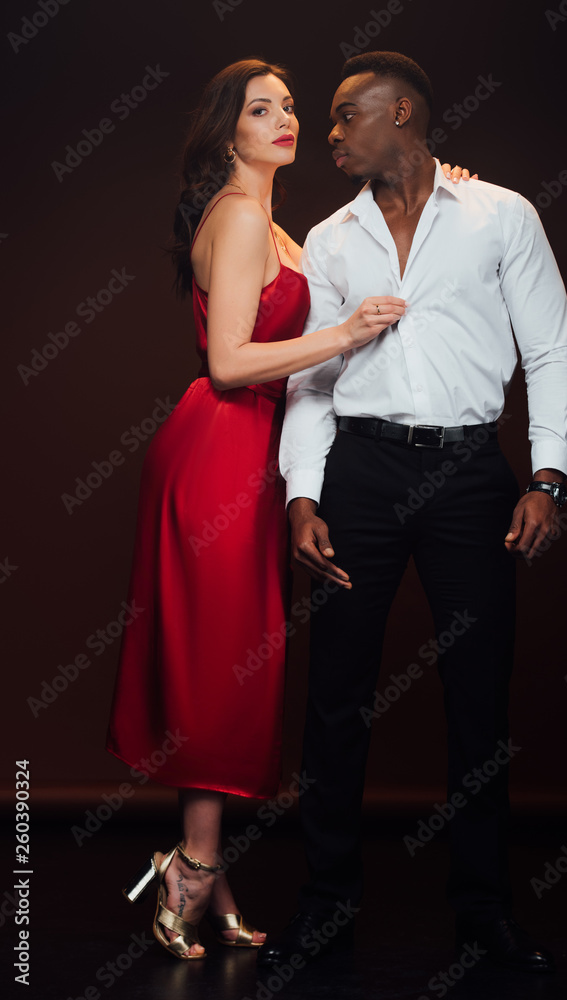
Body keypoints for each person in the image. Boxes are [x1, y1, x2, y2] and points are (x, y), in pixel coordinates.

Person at [106, 57, 466, 961]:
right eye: (260, 109)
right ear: (226, 130)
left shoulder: (276, 227)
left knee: (226, 661)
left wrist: (446, 187)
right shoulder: (237, 217)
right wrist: (345, 332)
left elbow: (353, 255)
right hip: (220, 450)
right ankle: (192, 865)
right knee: (216, 662)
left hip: (251, 454)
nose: (285, 119)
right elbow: (229, 362)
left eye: (290, 106)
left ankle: (203, 866)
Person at [258, 52, 567, 975]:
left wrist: (546, 478)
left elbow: (550, 348)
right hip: (359, 472)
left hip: (470, 474)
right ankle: (326, 907)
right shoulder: (328, 238)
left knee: (477, 697)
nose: (327, 134)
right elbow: (312, 380)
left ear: (401, 113)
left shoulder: (500, 214)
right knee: (335, 697)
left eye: (343, 115)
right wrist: (303, 493)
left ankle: (482, 914)